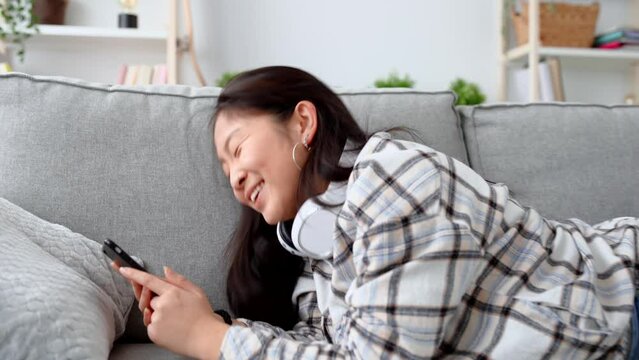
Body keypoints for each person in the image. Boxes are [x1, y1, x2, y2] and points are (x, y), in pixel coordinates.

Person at [116, 66, 639, 359]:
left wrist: (214, 342)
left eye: (237, 147)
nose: (233, 177)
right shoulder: (315, 253)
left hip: (624, 305)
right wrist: (210, 320)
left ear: (302, 123)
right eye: (223, 166)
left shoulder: (395, 181)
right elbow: (331, 346)